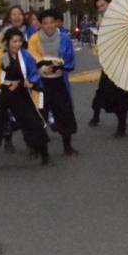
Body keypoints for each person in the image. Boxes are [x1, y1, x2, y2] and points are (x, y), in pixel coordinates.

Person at [0, 27, 50, 170]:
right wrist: (8, 83)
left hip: (21, 92)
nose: (17, 44)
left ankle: (45, 156)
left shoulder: (25, 55)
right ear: (7, 42)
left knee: (33, 121)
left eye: (19, 41)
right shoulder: (0, 56)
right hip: (2, 93)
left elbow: (33, 72)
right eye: (14, 41)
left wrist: (31, 81)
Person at [29, 9, 79, 156]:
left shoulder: (64, 38)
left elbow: (70, 60)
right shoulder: (34, 39)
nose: (49, 26)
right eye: (45, 23)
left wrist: (60, 66)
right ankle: (38, 148)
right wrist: (42, 65)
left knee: (64, 112)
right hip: (41, 82)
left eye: (51, 22)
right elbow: (32, 57)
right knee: (39, 114)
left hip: (59, 80)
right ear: (40, 24)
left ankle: (67, 146)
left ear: (56, 23)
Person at [87, 0, 128, 135]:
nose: (102, 9)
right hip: (108, 64)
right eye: (99, 7)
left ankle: (122, 125)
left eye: (103, 5)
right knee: (102, 91)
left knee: (122, 94)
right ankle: (96, 116)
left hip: (123, 62)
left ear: (110, 3)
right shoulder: (101, 22)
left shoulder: (123, 17)